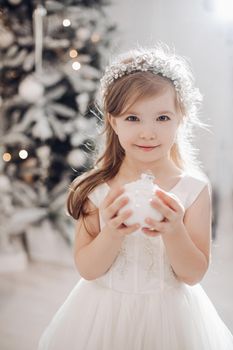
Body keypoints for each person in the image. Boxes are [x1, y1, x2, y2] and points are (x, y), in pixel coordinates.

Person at [38, 43, 233, 350]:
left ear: (181, 118)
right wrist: (112, 232)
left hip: (171, 318)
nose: (148, 132)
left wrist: (174, 230)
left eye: (162, 118)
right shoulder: (96, 189)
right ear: (113, 122)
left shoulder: (193, 189)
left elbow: (193, 274)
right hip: (103, 314)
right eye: (132, 118)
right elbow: (88, 270)